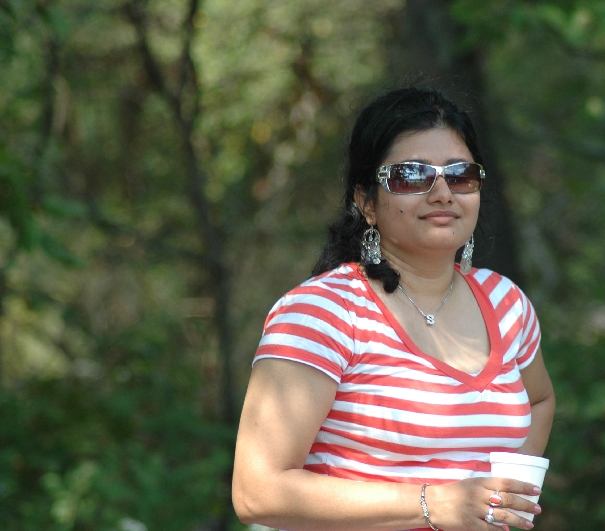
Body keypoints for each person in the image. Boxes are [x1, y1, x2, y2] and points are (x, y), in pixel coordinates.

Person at [232, 87, 555, 531]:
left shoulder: (506, 303)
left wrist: (501, 498)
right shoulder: (322, 312)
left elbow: (540, 399)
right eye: (410, 176)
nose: (442, 192)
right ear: (366, 202)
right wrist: (432, 503)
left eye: (460, 176)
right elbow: (257, 492)